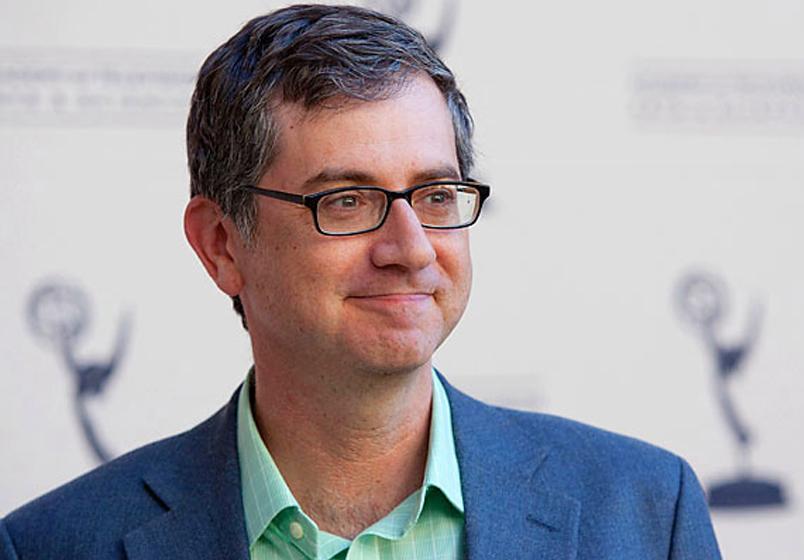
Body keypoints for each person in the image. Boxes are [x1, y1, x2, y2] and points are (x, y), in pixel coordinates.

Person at [0, 5, 721, 559]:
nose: (411, 248)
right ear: (222, 244)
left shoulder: (644, 513)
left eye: (435, 195)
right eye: (346, 201)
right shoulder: (52, 546)